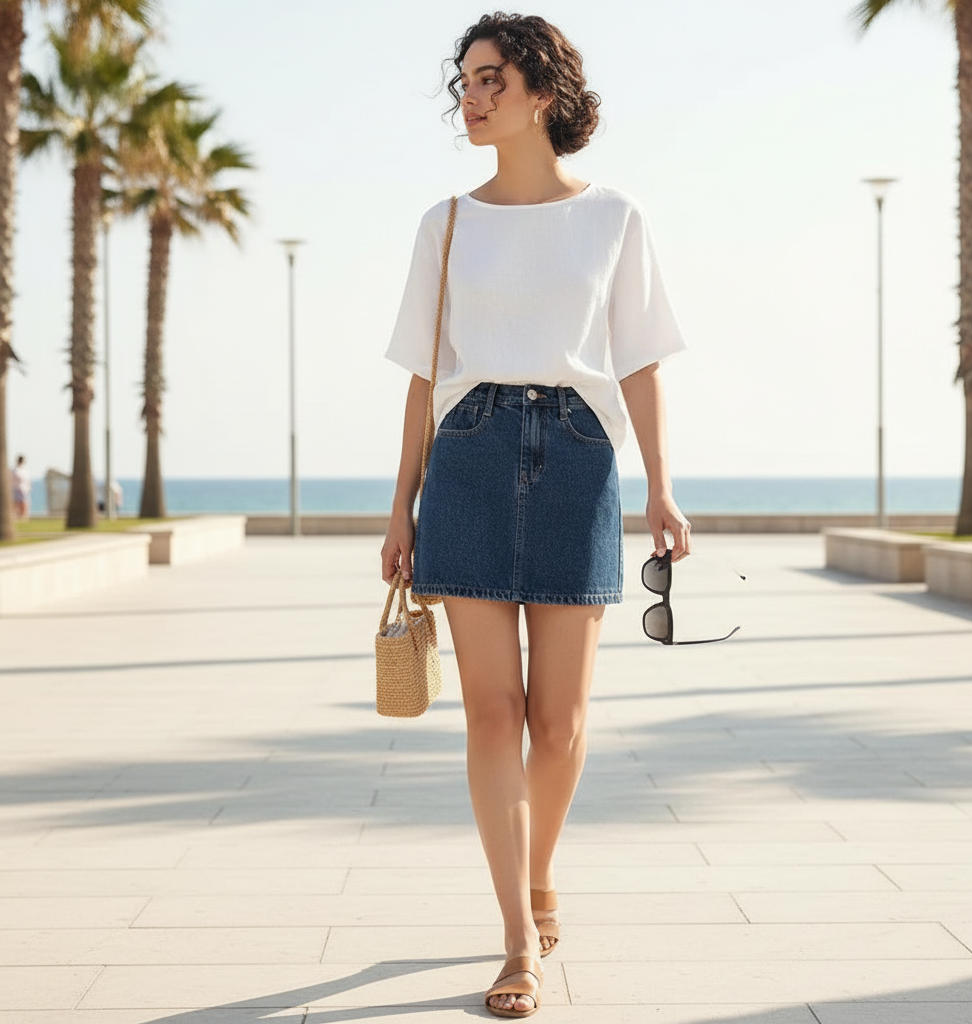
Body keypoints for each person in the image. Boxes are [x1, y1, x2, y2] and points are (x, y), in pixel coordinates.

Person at [381, 12, 690, 1018]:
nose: (469, 98)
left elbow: (638, 360)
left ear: (542, 90)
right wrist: (399, 508)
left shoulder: (614, 217)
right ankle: (518, 937)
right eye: (462, 82)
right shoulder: (446, 223)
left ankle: (540, 869)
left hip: (579, 458)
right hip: (466, 458)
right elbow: (425, 376)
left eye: (489, 79)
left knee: (557, 722)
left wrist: (661, 486)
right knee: (490, 710)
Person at [11, 455, 31, 520]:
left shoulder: (24, 470)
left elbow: (27, 480)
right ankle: (16, 516)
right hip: (17, 488)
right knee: (16, 503)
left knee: (24, 503)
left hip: (24, 489)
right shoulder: (15, 470)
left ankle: (23, 516)